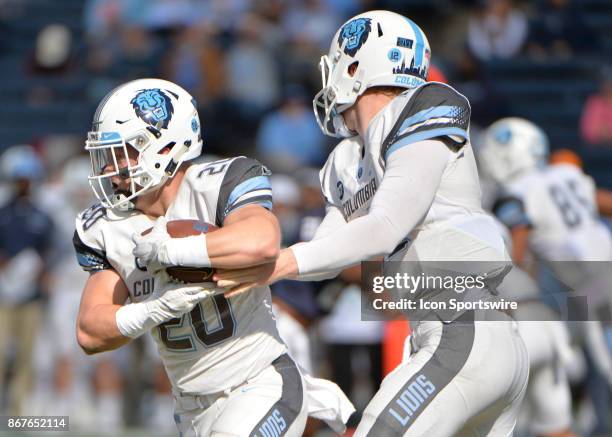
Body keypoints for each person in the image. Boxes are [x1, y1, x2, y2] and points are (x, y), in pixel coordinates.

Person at [216, 10, 529, 436]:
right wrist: (238, 265)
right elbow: (326, 251)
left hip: (465, 327)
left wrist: (277, 264)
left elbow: (385, 225)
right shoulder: (347, 158)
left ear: (356, 66)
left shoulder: (423, 106)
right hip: (447, 335)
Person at [73, 78, 353, 436]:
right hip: (190, 408)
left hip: (259, 384)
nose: (110, 168)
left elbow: (262, 242)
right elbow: (90, 332)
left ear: (163, 147)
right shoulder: (106, 227)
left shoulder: (218, 183)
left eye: (123, 151)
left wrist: (171, 251)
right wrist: (151, 309)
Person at [480, 117, 612, 435]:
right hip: (601, 277)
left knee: (577, 357)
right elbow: (603, 202)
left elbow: (519, 248)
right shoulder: (565, 173)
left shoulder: (518, 191)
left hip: (585, 290)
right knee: (573, 352)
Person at [0, 145, 54, 415]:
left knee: (25, 354)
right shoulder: (3, 213)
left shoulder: (41, 215)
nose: (24, 184)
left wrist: (40, 271)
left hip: (30, 295)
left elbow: (48, 251)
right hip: (3, 293)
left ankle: (19, 410)